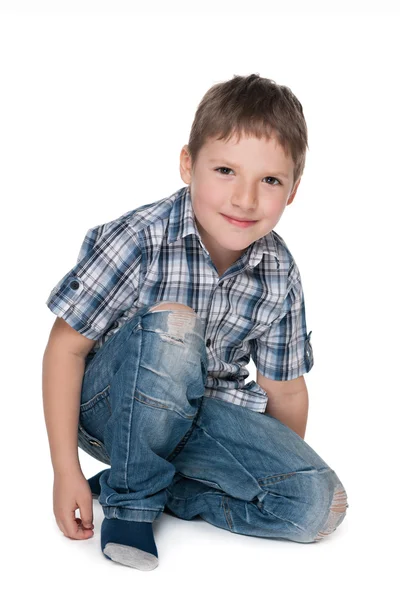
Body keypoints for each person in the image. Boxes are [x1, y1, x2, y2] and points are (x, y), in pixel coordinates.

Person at [42, 73, 348, 571]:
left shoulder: (280, 274)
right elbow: (65, 349)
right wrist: (64, 469)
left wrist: (270, 467)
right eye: (225, 170)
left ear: (292, 191)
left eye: (269, 180)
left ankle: (172, 491)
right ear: (188, 164)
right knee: (174, 327)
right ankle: (131, 506)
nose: (245, 199)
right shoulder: (141, 238)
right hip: (109, 409)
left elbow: (286, 393)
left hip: (200, 418)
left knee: (318, 506)